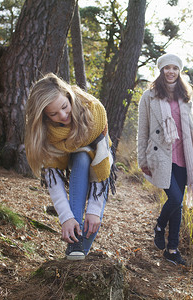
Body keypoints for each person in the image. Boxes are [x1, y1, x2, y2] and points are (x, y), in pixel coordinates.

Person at [25, 73, 115, 260]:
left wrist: (94, 210)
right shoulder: (47, 133)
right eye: (54, 114)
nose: (63, 116)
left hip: (100, 163)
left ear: (68, 96)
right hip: (74, 161)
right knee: (81, 158)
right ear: (44, 116)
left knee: (84, 157)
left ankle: (78, 250)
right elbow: (54, 179)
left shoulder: (94, 112)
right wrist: (66, 217)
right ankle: (75, 247)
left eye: (65, 107)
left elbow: (103, 159)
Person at [137, 53, 193, 266]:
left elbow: (191, 130)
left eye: (175, 68)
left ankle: (172, 250)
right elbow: (143, 130)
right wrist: (142, 160)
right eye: (167, 68)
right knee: (175, 199)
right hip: (161, 156)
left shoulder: (185, 96)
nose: (171, 72)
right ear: (161, 70)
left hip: (185, 157)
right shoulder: (149, 96)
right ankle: (159, 226)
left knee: (179, 206)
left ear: (179, 71)